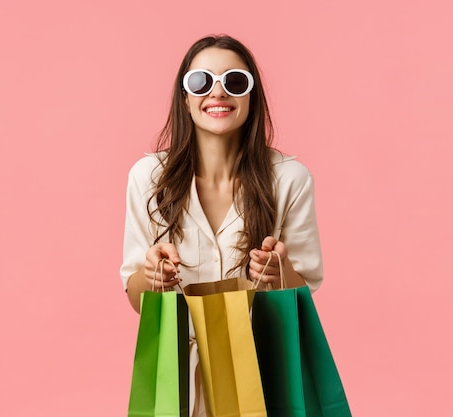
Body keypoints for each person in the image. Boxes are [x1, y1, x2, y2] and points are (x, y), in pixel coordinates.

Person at [120, 34, 323, 417]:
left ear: (251, 95)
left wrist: (280, 270)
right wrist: (153, 276)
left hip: (260, 379)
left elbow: (303, 297)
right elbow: (136, 298)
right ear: (185, 96)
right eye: (201, 81)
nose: (218, 93)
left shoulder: (290, 179)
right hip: (175, 381)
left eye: (234, 81)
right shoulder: (147, 177)